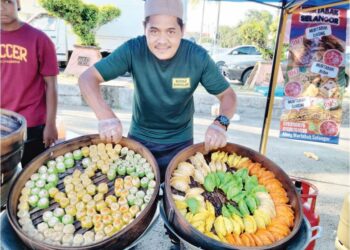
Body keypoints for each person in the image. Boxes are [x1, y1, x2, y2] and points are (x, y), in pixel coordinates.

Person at [79, 0, 237, 182]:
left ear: (182, 30)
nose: (162, 41)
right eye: (154, 31)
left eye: (171, 31)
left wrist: (221, 123)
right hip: (139, 139)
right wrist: (105, 116)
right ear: (144, 28)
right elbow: (87, 78)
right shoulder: (133, 49)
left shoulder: (197, 57)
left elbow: (227, 95)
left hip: (181, 142)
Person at [0, 0, 59, 167]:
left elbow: (51, 86)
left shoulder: (39, 39)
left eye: (7, 2)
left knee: (33, 178)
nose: (1, 7)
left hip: (32, 124)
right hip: (1, 123)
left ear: (18, 3)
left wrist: (51, 124)